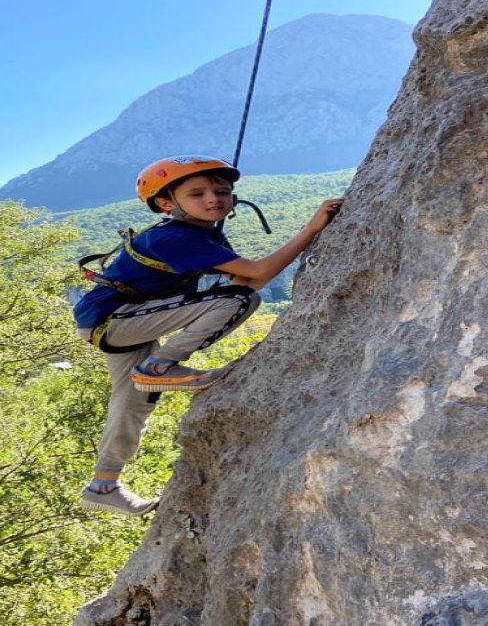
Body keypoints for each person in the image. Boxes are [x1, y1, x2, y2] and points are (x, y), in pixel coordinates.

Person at [74, 155, 343, 516]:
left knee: (131, 403)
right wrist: (311, 230)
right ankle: (158, 367)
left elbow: (252, 277)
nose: (213, 199)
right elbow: (255, 278)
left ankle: (103, 485)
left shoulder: (201, 234)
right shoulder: (173, 238)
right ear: (166, 204)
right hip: (116, 320)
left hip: (112, 322)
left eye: (222, 191)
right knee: (239, 301)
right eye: (197, 193)